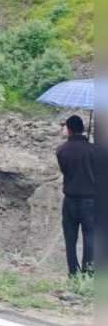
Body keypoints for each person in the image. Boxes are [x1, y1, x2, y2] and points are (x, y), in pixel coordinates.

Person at [56, 115, 95, 277]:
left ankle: (73, 272)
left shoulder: (61, 150)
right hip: (91, 200)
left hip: (70, 199)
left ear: (69, 129)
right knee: (90, 236)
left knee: (70, 238)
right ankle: (88, 272)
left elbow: (65, 171)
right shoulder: (95, 150)